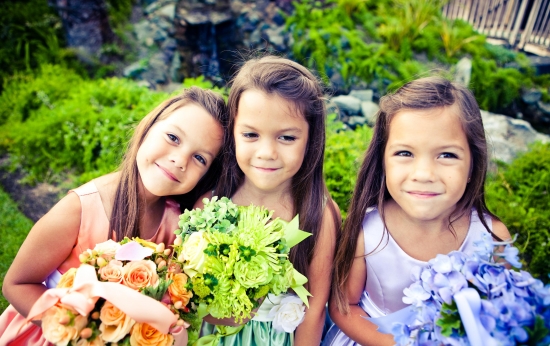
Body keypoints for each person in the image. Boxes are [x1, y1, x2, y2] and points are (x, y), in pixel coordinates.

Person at [0, 86, 228, 345]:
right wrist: (81, 332)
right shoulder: (80, 209)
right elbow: (16, 284)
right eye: (173, 138)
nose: (179, 160)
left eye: (200, 157)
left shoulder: (176, 224)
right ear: (148, 127)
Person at [324, 77, 511, 346]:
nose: (424, 174)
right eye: (405, 153)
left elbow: (507, 313)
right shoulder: (369, 231)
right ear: (383, 160)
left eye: (446, 155)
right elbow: (344, 307)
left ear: (473, 164)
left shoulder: (491, 237)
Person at [200, 55, 341, 346]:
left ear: (311, 138)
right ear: (232, 133)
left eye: (287, 138)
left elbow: (314, 311)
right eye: (251, 134)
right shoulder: (212, 201)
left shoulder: (317, 214)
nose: (267, 152)